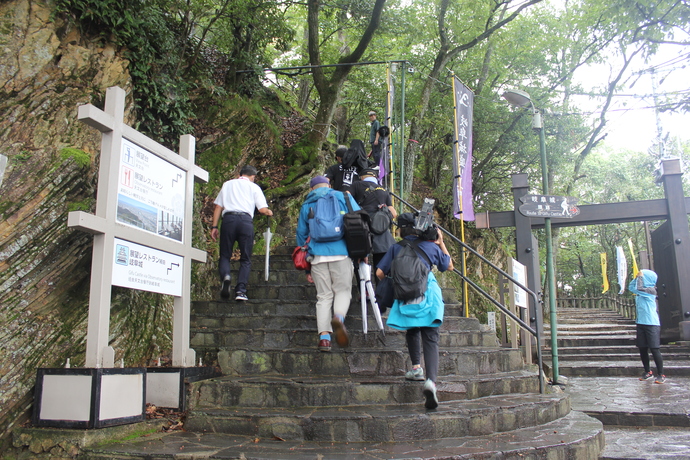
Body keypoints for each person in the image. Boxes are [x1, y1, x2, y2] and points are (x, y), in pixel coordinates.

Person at [376, 213, 453, 409]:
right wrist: (440, 242)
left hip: (406, 297)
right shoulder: (430, 246)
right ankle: (431, 381)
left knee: (412, 329)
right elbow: (448, 266)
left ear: (401, 230)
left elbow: (379, 273)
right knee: (431, 337)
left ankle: (416, 368)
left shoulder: (395, 248)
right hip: (429, 297)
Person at [296, 176, 360, 352]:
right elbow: (359, 219)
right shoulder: (342, 197)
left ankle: (324, 338)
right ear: (329, 185)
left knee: (323, 296)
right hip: (341, 253)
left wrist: (307, 266)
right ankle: (338, 318)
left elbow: (301, 236)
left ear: (311, 189)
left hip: (317, 256)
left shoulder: (307, 204)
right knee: (343, 291)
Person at [210, 165, 273, 301]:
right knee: (245, 258)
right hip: (245, 221)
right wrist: (269, 212)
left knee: (225, 255)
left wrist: (214, 226)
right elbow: (262, 209)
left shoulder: (227, 184)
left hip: (229, 220)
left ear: (241, 174)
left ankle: (226, 276)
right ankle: (241, 291)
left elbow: (218, 207)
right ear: (252, 176)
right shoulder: (254, 187)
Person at [351, 168, 397, 276]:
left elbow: (345, 198)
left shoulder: (357, 185)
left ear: (362, 177)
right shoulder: (383, 190)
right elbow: (393, 213)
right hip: (382, 234)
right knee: (381, 267)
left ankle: (364, 291)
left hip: (361, 229)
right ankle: (380, 291)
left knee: (360, 267)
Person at [629, 269, 665, 384]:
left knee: (654, 349)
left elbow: (639, 288)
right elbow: (631, 287)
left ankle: (661, 374)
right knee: (642, 348)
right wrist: (636, 278)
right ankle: (647, 371)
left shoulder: (651, 290)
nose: (641, 278)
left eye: (643, 277)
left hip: (651, 323)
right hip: (641, 323)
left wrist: (639, 278)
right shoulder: (641, 290)